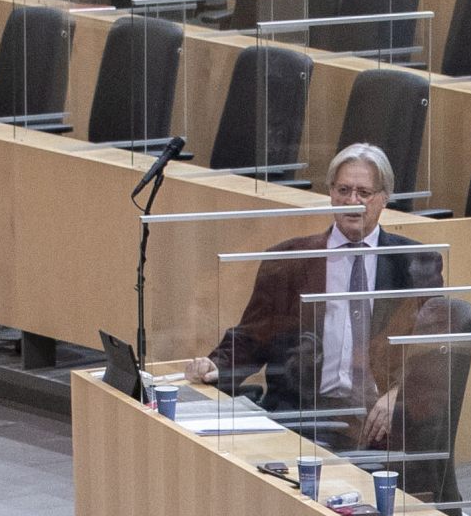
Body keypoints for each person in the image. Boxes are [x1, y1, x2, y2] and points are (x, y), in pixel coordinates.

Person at [188, 144, 444, 469]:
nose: (353, 202)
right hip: (303, 413)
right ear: (331, 194)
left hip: (377, 418)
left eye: (364, 192)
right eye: (344, 190)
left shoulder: (415, 263)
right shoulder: (289, 262)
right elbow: (252, 339)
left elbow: (434, 352)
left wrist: (399, 393)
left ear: (384, 197)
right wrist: (216, 366)